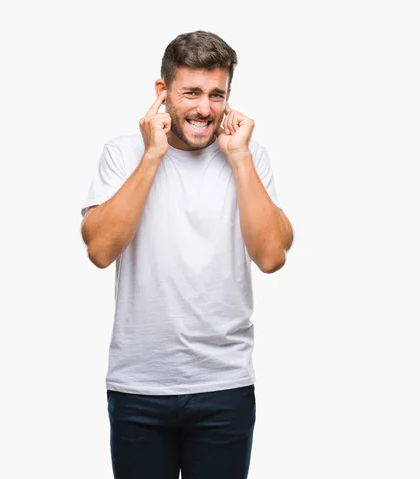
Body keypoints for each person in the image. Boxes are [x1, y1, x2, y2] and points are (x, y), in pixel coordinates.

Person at [80, 30, 293, 479]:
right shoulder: (124, 155)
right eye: (191, 92)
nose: (204, 108)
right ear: (163, 92)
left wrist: (239, 160)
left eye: (217, 95)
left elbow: (272, 256)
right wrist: (153, 156)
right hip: (140, 384)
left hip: (224, 385)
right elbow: (100, 250)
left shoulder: (251, 157)